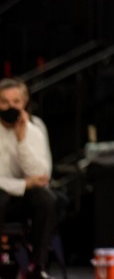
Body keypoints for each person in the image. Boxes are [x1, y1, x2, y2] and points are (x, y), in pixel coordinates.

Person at [0, 78, 56, 279]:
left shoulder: (34, 131)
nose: (10, 107)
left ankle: (36, 266)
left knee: (45, 198)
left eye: (15, 101)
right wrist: (24, 183)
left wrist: (22, 140)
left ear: (24, 103)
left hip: (21, 202)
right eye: (4, 102)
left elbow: (42, 176)